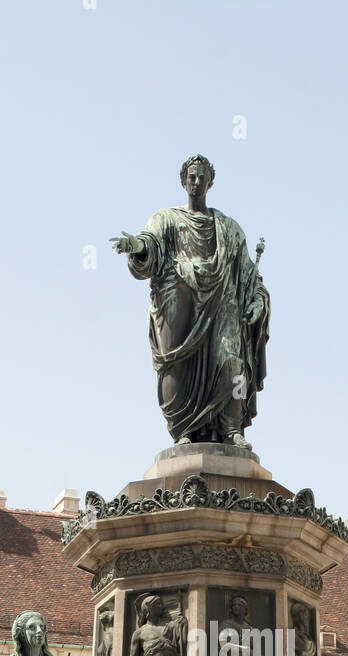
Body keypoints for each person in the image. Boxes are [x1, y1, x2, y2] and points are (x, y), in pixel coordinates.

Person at [111, 155, 270, 448]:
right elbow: (151, 244)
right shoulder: (165, 219)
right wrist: (137, 246)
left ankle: (231, 428)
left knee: (233, 362)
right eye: (192, 177)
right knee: (176, 366)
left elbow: (249, 276)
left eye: (202, 177)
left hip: (223, 304)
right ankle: (182, 427)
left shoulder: (229, 228)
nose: (196, 182)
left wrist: (258, 301)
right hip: (178, 301)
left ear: (210, 182)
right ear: (183, 181)